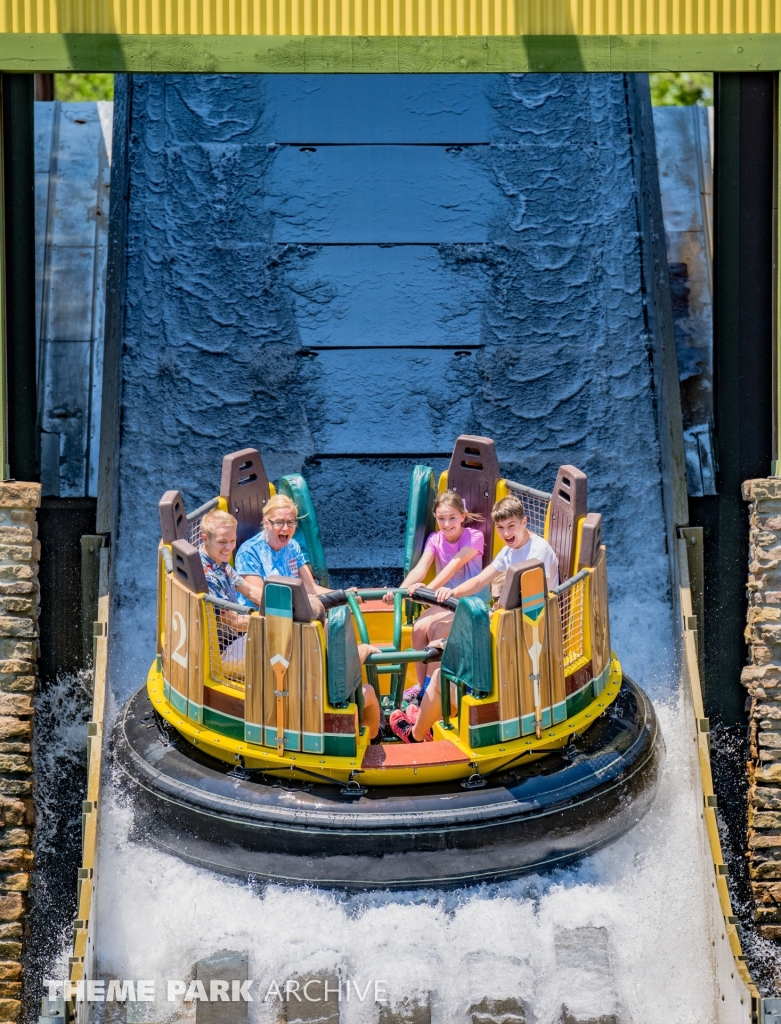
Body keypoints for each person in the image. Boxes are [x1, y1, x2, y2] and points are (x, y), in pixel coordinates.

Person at [389, 495, 558, 743]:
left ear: (525, 522)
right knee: (439, 648)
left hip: (528, 634)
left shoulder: (537, 553)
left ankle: (422, 727)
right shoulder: (510, 551)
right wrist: (450, 592)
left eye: (511, 526)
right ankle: (428, 710)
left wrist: (494, 614)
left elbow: (529, 603)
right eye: (500, 528)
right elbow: (481, 580)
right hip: (508, 623)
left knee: (443, 653)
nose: (506, 532)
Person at [384, 490, 484, 692]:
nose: (446, 524)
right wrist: (399, 592)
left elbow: (453, 566)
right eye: (441, 519)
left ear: (463, 517)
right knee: (419, 628)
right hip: (444, 600)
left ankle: (433, 692)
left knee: (437, 629)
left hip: (469, 601)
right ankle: (422, 689)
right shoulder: (435, 539)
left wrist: (427, 590)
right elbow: (420, 568)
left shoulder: (474, 536)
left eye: (452, 518)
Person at [235, 494, 330, 605]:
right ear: (266, 523)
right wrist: (303, 604)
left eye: (290, 522)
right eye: (279, 522)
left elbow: (311, 588)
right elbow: (261, 600)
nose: (285, 528)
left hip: (292, 609)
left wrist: (344, 595)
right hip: (261, 616)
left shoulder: (293, 546)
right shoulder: (249, 553)